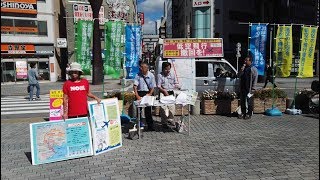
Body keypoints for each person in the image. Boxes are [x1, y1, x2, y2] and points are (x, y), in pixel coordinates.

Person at [157, 62, 181, 131]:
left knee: (172, 108)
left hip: (171, 92)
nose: (167, 71)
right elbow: (158, 86)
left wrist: (178, 87)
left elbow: (175, 83)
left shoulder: (172, 74)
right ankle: (164, 123)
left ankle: (170, 120)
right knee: (163, 108)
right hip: (163, 92)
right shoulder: (159, 75)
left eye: (169, 69)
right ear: (163, 69)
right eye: (166, 69)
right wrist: (164, 91)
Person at [133, 62, 156, 131]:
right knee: (138, 110)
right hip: (139, 93)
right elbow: (135, 86)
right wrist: (137, 95)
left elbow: (152, 87)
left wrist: (149, 94)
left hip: (147, 93)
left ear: (146, 68)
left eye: (142, 67)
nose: (140, 68)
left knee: (148, 111)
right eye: (140, 67)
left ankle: (150, 126)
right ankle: (139, 125)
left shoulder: (151, 75)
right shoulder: (138, 75)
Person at [238, 55, 258, 119]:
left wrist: (253, 88)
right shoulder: (243, 68)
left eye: (246, 60)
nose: (245, 61)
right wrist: (241, 70)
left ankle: (249, 114)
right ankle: (243, 112)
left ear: (250, 61)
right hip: (243, 87)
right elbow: (238, 75)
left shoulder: (253, 69)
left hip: (249, 88)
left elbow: (255, 79)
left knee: (249, 102)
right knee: (242, 101)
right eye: (245, 60)